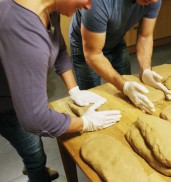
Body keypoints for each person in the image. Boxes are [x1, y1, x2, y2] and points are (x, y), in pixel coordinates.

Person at [0, 0, 121, 181]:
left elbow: (60, 50)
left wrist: (74, 89)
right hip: (4, 104)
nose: (89, 6)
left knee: (31, 148)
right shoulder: (25, 34)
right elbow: (35, 119)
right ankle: (36, 170)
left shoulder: (49, 9)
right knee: (34, 153)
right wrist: (85, 123)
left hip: (16, 89)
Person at [69, 0, 171, 114]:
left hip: (115, 41)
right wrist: (125, 86)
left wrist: (146, 69)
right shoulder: (98, 2)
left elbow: (145, 36)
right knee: (92, 100)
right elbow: (93, 55)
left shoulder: (153, 0)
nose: (154, 0)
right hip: (86, 48)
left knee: (128, 93)